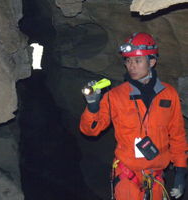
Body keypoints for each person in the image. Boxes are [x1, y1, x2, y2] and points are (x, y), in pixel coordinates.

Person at [79, 32, 187, 200]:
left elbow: (177, 135)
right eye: (128, 61)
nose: (131, 66)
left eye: (137, 61)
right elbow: (91, 130)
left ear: (152, 62)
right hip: (127, 176)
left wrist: (181, 171)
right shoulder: (115, 96)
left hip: (156, 178)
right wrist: (92, 105)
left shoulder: (169, 95)